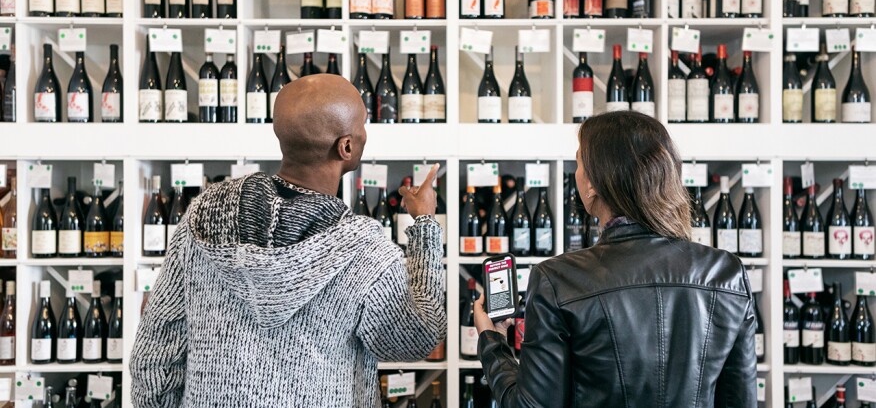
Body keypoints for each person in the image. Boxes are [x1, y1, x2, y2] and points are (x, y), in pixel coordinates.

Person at [130, 74, 446, 407]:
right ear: (346, 146)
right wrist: (425, 224)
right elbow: (415, 337)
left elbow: (156, 352)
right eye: (363, 125)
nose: (365, 133)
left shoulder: (205, 217)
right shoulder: (364, 251)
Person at [474, 111, 756, 407]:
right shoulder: (727, 274)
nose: (576, 173)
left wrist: (493, 343)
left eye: (579, 162)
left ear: (594, 183)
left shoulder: (558, 279)